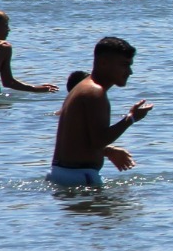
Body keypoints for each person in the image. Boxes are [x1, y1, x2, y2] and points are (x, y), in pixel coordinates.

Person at [47, 36, 150, 188]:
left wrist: (108, 151)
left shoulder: (82, 87)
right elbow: (98, 140)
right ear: (103, 63)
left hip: (64, 174)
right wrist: (131, 119)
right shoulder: (95, 93)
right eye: (124, 65)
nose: (130, 72)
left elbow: (81, 138)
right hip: (80, 177)